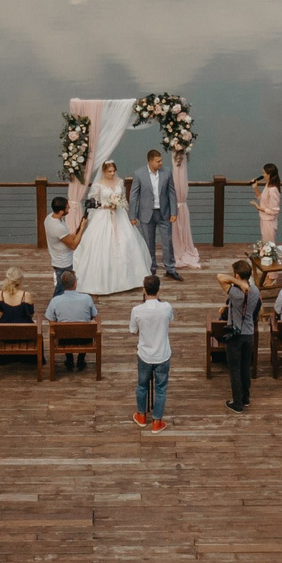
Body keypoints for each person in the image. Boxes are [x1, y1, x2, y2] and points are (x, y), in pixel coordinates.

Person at [72, 159, 151, 295]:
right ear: (104, 171)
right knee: (102, 245)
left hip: (119, 215)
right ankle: (103, 280)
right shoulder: (98, 185)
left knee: (126, 242)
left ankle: (128, 279)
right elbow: (93, 201)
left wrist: (127, 212)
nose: (112, 173)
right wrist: (106, 205)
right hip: (103, 215)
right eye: (109, 171)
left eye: (114, 171)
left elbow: (124, 199)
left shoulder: (119, 182)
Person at [130, 274, 174, 432]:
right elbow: (170, 320)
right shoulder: (166, 307)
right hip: (162, 354)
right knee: (161, 388)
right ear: (159, 290)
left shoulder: (137, 310)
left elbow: (133, 330)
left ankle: (141, 415)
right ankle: (157, 421)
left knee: (142, 386)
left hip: (145, 355)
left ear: (144, 290)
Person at [130, 148, 181, 280]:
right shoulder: (139, 174)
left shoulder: (167, 172)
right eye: (158, 161)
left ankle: (170, 268)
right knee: (148, 242)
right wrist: (132, 215)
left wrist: (174, 211)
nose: (161, 163)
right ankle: (151, 267)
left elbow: (172, 192)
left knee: (167, 241)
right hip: (146, 213)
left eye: (161, 160)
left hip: (164, 212)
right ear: (150, 161)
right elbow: (133, 196)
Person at [216, 258, 259, 413]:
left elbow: (220, 277)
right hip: (249, 332)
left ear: (238, 276)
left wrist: (238, 283)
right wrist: (242, 283)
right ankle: (246, 398)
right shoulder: (255, 290)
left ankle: (237, 403)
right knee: (245, 367)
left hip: (236, 334)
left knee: (234, 369)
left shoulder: (235, 293)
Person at [43, 269, 97, 370]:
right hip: (84, 338)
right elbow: (94, 314)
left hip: (64, 339)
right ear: (75, 284)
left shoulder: (55, 301)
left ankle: (69, 358)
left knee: (63, 329)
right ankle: (81, 359)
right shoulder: (87, 298)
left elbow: (50, 319)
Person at [43, 195, 82, 278]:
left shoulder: (49, 218)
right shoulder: (58, 227)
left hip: (57, 260)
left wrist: (77, 231)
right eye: (67, 208)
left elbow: (66, 237)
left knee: (62, 287)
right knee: (62, 288)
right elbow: (73, 245)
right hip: (64, 263)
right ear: (61, 212)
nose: (69, 209)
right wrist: (82, 229)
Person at [252, 163, 282, 248]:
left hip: (269, 221)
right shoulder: (268, 185)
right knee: (265, 243)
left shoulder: (273, 190)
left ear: (269, 175)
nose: (262, 175)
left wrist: (258, 207)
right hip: (264, 219)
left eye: (264, 173)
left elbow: (274, 210)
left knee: (269, 245)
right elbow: (261, 198)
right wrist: (255, 187)